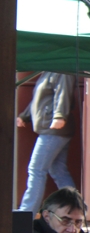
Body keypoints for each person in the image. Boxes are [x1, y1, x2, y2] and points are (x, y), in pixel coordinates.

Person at [17, 71, 77, 214]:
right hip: (50, 129)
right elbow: (39, 99)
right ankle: (76, 208)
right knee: (58, 171)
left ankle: (27, 212)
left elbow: (63, 93)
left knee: (36, 170)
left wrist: (59, 116)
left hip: (53, 130)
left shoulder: (62, 71)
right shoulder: (47, 72)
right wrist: (25, 116)